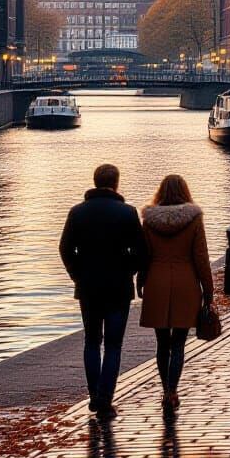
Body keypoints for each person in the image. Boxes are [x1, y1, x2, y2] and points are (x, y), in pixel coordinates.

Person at [59, 163, 147, 421]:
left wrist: (77, 273)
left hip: (88, 287)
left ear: (95, 181)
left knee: (91, 341)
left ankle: (94, 394)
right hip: (118, 287)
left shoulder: (77, 212)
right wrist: (129, 270)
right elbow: (141, 251)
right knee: (113, 344)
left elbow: (65, 248)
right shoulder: (127, 213)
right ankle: (105, 399)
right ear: (116, 183)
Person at [138, 174, 214, 420]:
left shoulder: (149, 221)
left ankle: (165, 390)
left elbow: (145, 256)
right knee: (179, 342)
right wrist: (208, 289)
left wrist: (141, 280)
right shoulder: (193, 219)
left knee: (162, 343)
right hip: (185, 283)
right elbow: (201, 257)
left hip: (157, 282)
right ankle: (172, 391)